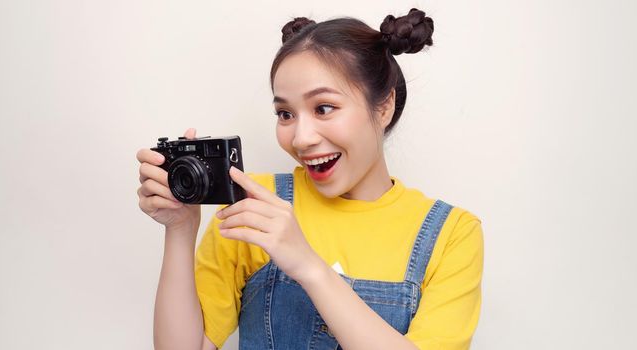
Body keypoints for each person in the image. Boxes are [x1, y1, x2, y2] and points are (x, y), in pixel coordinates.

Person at [136, 8, 484, 350]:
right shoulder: (253, 205)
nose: (301, 138)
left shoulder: (451, 234)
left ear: (384, 106)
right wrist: (180, 230)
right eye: (285, 114)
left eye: (323, 108)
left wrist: (309, 267)